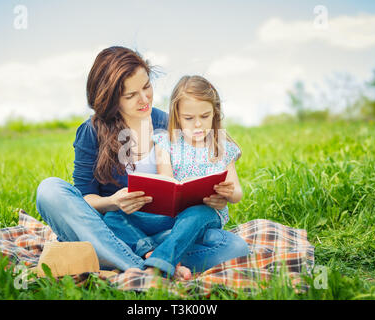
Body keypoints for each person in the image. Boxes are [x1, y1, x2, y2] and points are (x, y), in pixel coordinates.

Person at [36, 46, 248, 279]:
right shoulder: (91, 132)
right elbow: (85, 198)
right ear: (111, 99)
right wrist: (112, 202)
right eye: (131, 95)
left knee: (235, 248)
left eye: (147, 86)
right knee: (50, 190)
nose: (145, 98)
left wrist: (214, 197)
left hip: (163, 228)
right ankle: (147, 265)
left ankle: (133, 257)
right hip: (116, 224)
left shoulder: (167, 124)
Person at [103, 75, 249, 278]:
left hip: (203, 217)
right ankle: (158, 250)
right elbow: (167, 183)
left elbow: (238, 192)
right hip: (170, 218)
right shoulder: (166, 143)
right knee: (113, 216)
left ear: (214, 114)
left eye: (205, 116)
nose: (197, 124)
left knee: (202, 215)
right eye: (189, 118)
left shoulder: (222, 147)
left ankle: (158, 262)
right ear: (177, 116)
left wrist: (229, 193)